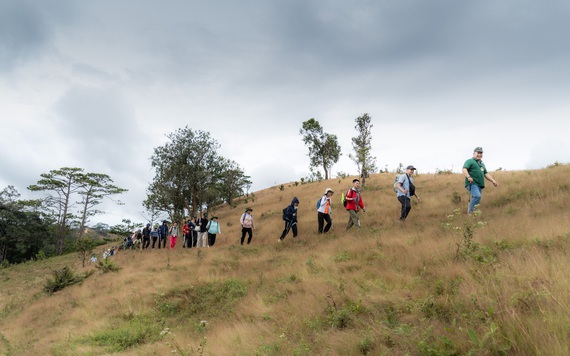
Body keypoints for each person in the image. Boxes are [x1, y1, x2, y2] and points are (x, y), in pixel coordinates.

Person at [463, 147, 499, 213]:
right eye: (478, 153)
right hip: (472, 183)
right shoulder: (470, 161)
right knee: (477, 196)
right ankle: (470, 212)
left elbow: (486, 173)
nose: (479, 154)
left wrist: (493, 181)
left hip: (479, 185)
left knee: (477, 199)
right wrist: (468, 176)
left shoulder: (482, 164)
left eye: (481, 153)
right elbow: (464, 169)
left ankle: (475, 214)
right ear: (474, 153)